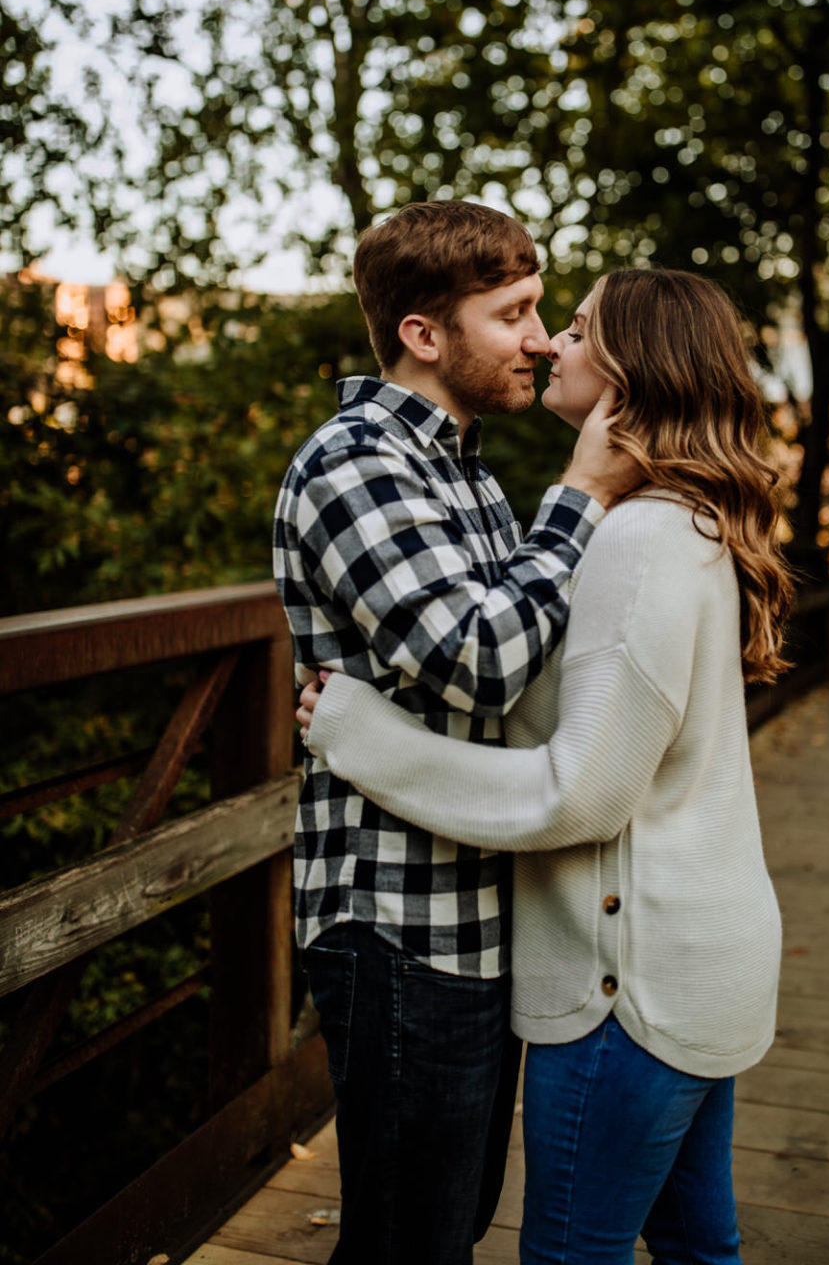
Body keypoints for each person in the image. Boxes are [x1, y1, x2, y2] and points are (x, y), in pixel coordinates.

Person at [297, 266, 794, 1265]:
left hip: (632, 986)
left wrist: (358, 732)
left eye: (570, 328)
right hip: (696, 961)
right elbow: (555, 696)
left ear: (630, 370)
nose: (548, 345)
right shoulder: (675, 519)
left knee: (571, 1254)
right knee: (702, 1248)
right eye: (532, 320)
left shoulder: (640, 537)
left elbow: (580, 791)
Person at [273, 199, 639, 1265]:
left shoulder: (462, 465)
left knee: (452, 1221)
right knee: (408, 1240)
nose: (539, 337)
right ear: (423, 335)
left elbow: (526, 652)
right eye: (512, 312)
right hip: (399, 921)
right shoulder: (357, 463)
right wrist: (578, 495)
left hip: (474, 910)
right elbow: (480, 663)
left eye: (539, 309)